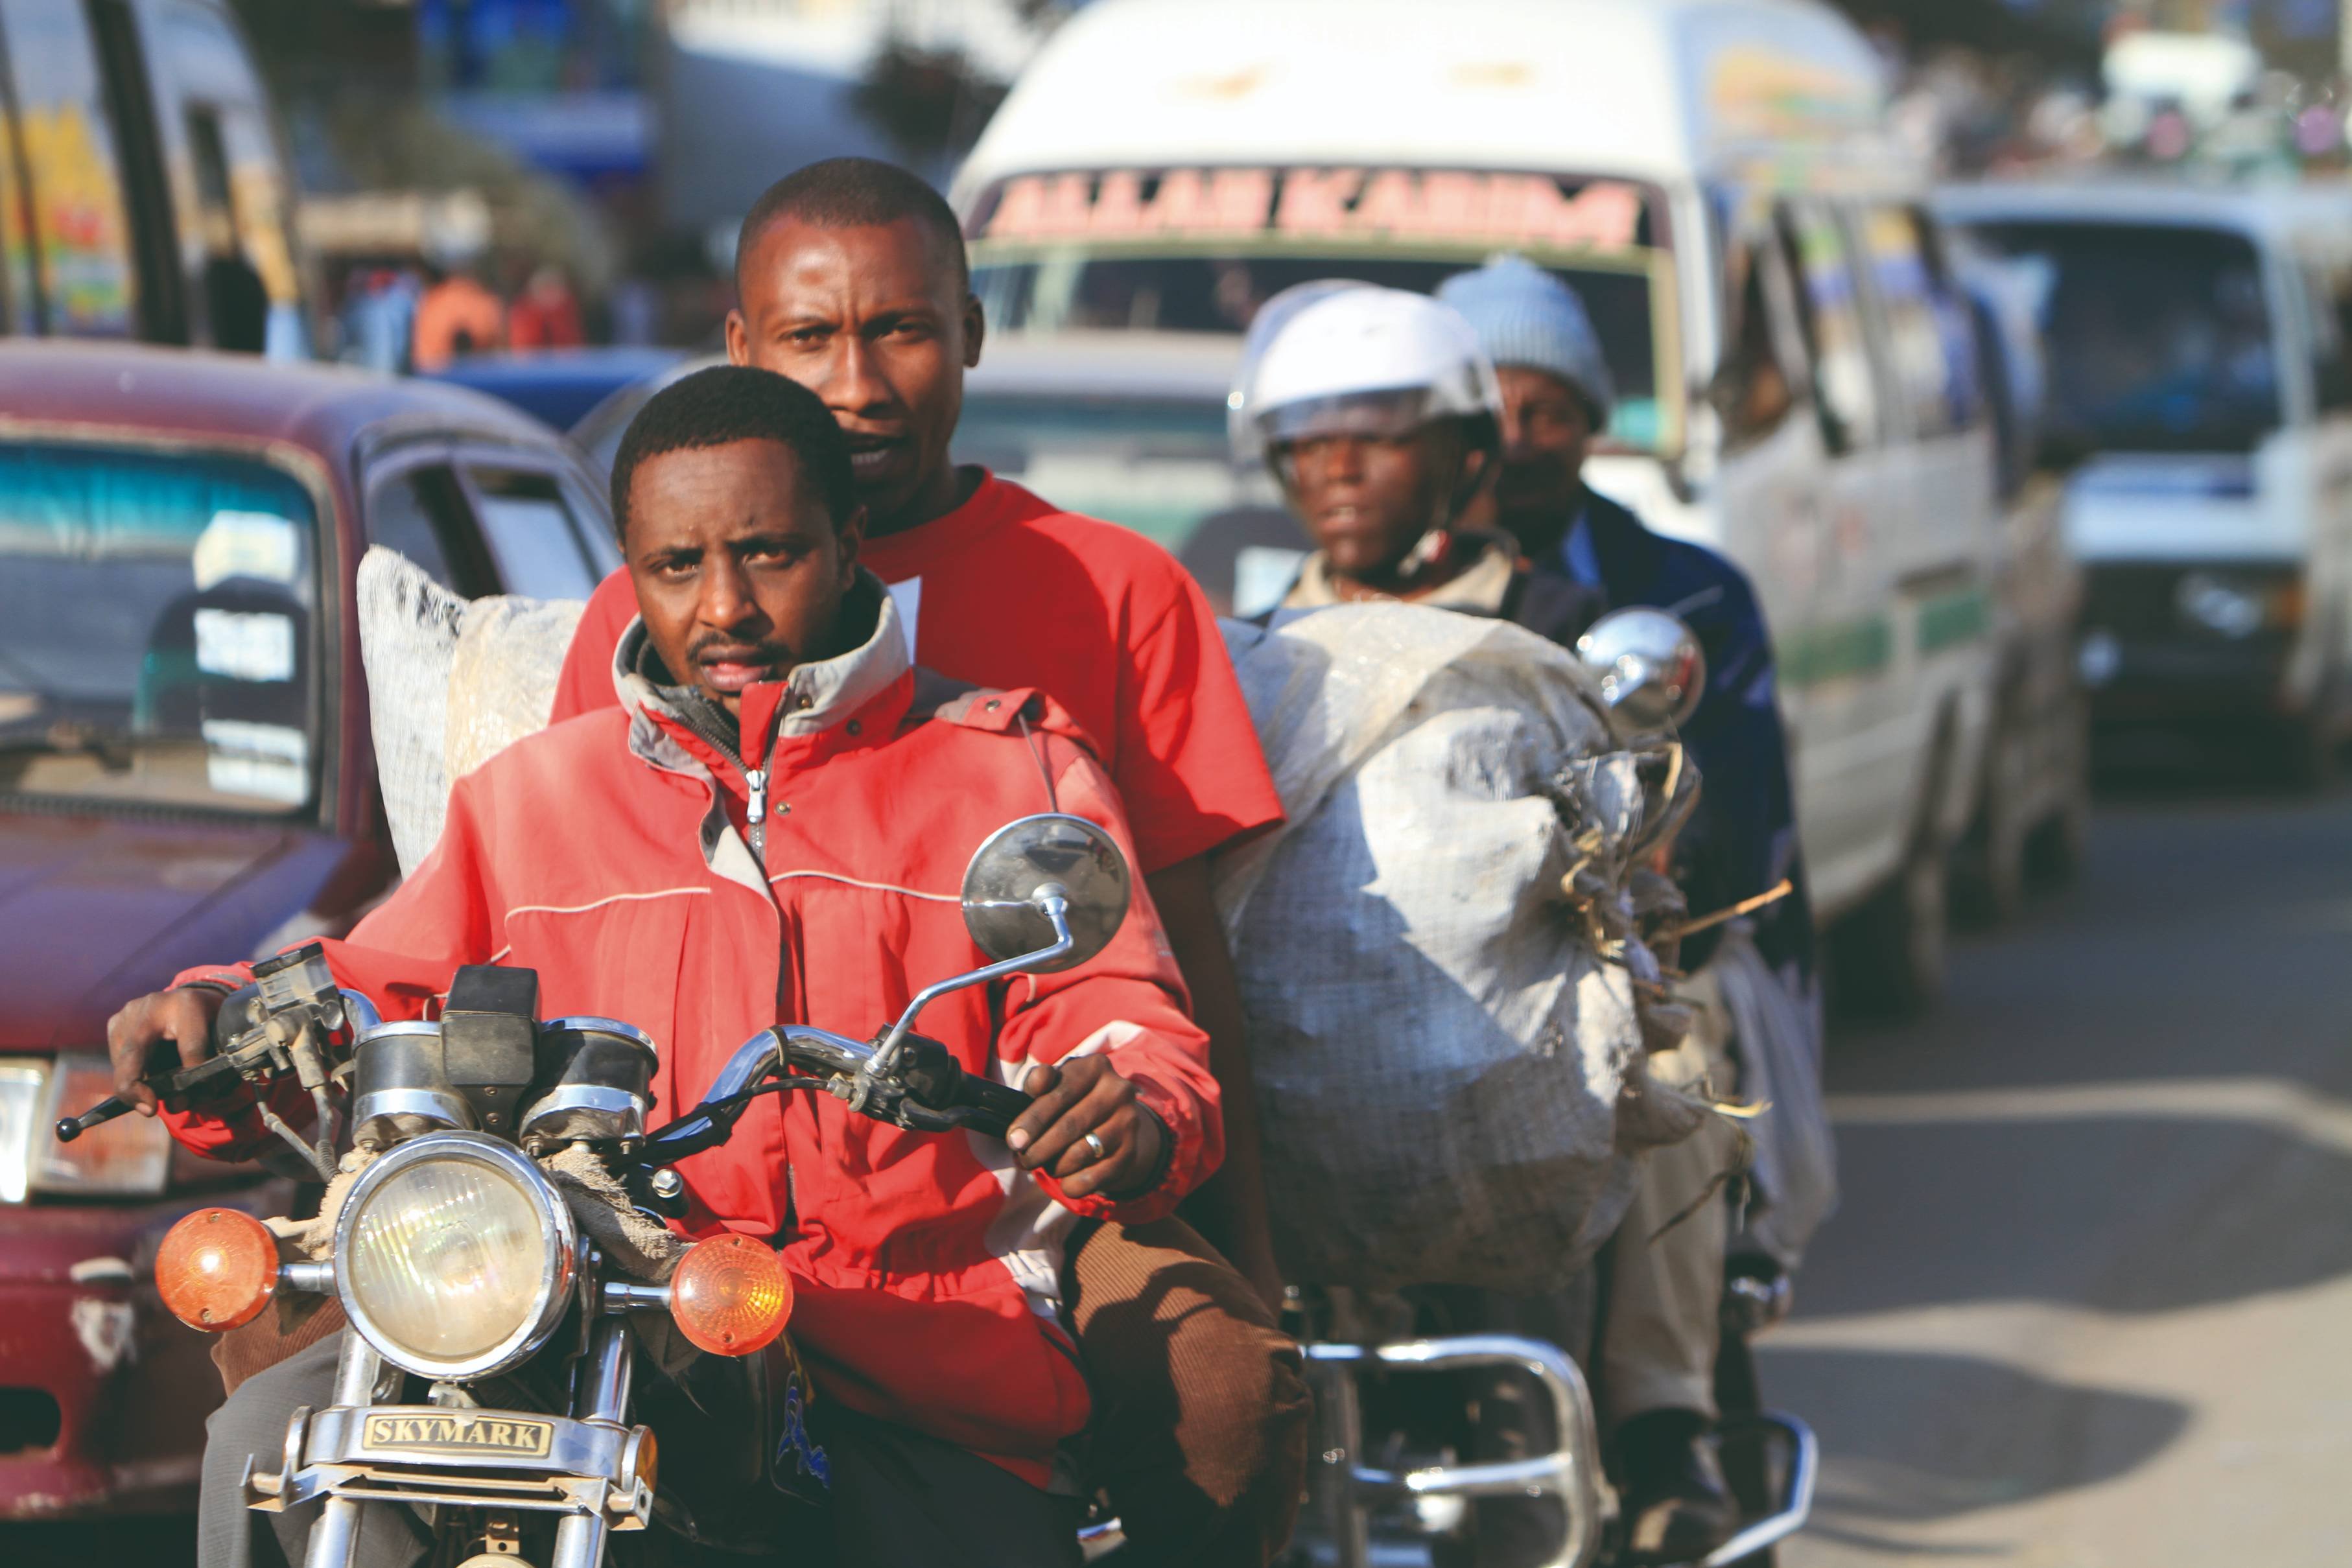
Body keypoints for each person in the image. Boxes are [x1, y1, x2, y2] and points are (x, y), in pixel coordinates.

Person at [112, 366, 1229, 1567]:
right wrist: (221, 1016)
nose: (725, 606)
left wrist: (1130, 1109)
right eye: (678, 566)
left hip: (922, 1351)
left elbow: (1120, 1015)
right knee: (275, 1445)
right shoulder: (535, 797)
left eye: (769, 554)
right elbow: (374, 987)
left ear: (851, 543)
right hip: (610, 1315)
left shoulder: (1012, 773)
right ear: (630, 573)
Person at [545, 158, 1307, 1566]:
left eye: (898, 329)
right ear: (740, 347)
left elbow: (1182, 956)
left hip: (1024, 1180)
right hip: (705, 1177)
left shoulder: (1115, 590)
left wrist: (1237, 1249)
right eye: (808, 338)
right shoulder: (638, 623)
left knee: (1224, 1391)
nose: (856, 385)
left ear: (969, 331)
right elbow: (572, 883)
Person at [1437, 255, 1820, 1563]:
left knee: (1670, 1069)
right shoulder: (1355, 596)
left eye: (1546, 409)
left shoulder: (1681, 597)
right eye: (1487, 411)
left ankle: (1665, 1428)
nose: (1515, 439)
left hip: (1629, 957)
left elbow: (1737, 831)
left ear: (1591, 423)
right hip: (1423, 976)